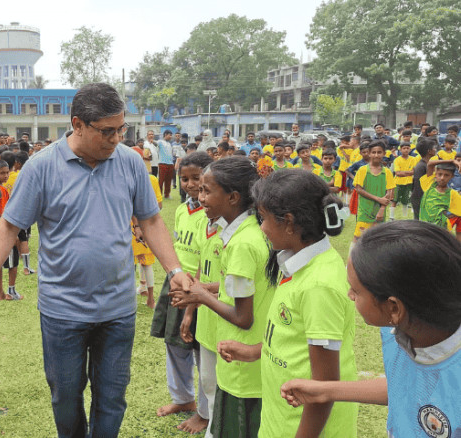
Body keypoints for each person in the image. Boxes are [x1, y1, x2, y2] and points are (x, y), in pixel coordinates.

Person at [0, 83, 190, 437]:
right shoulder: (42, 167)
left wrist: (174, 270)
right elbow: (9, 227)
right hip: (63, 311)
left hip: (118, 309)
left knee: (113, 396)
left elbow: (150, 220)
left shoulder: (130, 162)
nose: (116, 138)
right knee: (66, 396)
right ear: (78, 124)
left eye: (121, 129)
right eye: (107, 131)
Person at [280, 221, 461, 437]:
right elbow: (405, 385)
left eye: (356, 291)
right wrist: (325, 391)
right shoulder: (397, 329)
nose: (349, 295)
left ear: (394, 308)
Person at [217, 171, 358, 436]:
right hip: (281, 419)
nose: (261, 227)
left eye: (263, 218)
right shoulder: (294, 262)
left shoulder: (319, 286)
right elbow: (295, 338)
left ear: (289, 223)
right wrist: (256, 351)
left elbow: (324, 388)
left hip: (304, 428)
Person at [169, 156, 275, 438]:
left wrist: (202, 295)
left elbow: (243, 316)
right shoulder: (242, 232)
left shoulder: (243, 242)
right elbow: (243, 286)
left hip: (239, 348)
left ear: (233, 197)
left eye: (206, 190)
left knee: (232, 416)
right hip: (228, 341)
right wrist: (205, 291)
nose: (199, 196)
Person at [153, 151, 220, 435]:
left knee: (199, 349)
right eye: (185, 179)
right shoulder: (182, 210)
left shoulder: (212, 215)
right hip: (176, 284)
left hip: (200, 288)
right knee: (174, 344)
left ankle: (205, 412)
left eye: (197, 179)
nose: (191, 185)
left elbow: (208, 260)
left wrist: (195, 290)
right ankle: (183, 399)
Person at [0, 158, 21, 301]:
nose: (6, 176)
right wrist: (12, 234)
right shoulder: (1, 190)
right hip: (3, 227)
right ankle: (10, 292)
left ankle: (0, 292)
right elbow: (4, 212)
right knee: (12, 262)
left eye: (7, 172)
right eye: (2, 173)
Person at [132, 167, 163, 309]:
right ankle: (147, 294)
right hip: (147, 224)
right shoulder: (152, 179)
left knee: (131, 262)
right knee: (146, 262)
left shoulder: (127, 177)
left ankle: (140, 294)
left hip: (132, 226)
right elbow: (159, 204)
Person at [353, 141, 395, 242]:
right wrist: (378, 199)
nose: (376, 155)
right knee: (358, 239)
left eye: (379, 152)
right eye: (373, 152)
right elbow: (358, 189)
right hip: (364, 211)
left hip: (379, 214)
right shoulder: (363, 170)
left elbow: (390, 192)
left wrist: (382, 209)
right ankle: (353, 258)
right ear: (369, 153)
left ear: (384, 154)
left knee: (377, 240)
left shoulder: (387, 172)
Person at [418, 159, 461, 239]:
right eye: (440, 174)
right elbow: (430, 164)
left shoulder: (453, 194)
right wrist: (452, 161)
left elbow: (458, 214)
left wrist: (444, 214)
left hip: (441, 232)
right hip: (424, 228)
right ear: (435, 174)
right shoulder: (429, 185)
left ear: (452, 176)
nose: (442, 178)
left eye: (446, 175)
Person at [391, 142, 418, 219]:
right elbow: (397, 173)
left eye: (407, 148)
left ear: (410, 149)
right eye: (404, 148)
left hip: (409, 182)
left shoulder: (413, 159)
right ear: (400, 149)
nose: (406, 150)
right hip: (398, 183)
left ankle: (405, 216)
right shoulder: (397, 160)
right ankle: (391, 216)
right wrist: (409, 172)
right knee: (394, 200)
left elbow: (414, 171)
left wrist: (403, 172)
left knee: (406, 200)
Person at [157, 130, 175, 199]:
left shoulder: (169, 144)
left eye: (171, 135)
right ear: (165, 135)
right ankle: (159, 194)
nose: (171, 137)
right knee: (161, 180)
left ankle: (167, 194)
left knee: (168, 180)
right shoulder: (160, 142)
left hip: (170, 164)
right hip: (162, 163)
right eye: (170, 135)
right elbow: (155, 144)